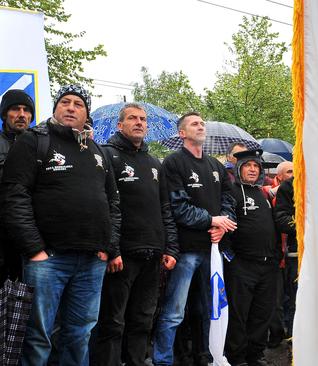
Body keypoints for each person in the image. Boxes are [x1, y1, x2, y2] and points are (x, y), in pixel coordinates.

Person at [1, 84, 121, 365]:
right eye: (65, 102)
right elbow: (14, 196)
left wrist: (108, 247)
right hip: (48, 260)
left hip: (92, 260)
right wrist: (34, 250)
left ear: (86, 113)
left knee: (80, 334)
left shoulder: (97, 150)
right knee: (38, 336)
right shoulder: (33, 141)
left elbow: (113, 203)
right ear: (55, 108)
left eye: (78, 104)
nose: (71, 107)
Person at [91, 103, 180, 366]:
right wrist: (112, 249)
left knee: (143, 319)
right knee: (112, 321)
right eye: (132, 118)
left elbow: (165, 208)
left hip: (153, 254)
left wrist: (170, 248)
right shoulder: (107, 155)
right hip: (122, 256)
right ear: (120, 125)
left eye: (142, 119)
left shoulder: (154, 162)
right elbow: (104, 205)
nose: (139, 122)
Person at [152, 112, 237, 366]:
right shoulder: (173, 163)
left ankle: (207, 356)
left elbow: (229, 201)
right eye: (194, 124)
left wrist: (223, 224)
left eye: (202, 123)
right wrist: (213, 220)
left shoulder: (215, 165)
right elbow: (178, 207)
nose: (201, 126)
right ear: (182, 133)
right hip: (186, 251)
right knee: (174, 312)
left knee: (210, 310)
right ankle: (163, 361)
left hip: (213, 250)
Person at [223, 149, 281, 366]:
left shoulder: (264, 194)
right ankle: (236, 358)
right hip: (242, 266)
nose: (253, 169)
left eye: (256, 166)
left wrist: (276, 257)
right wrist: (233, 259)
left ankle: (255, 355)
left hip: (268, 266)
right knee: (239, 314)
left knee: (262, 313)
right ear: (239, 169)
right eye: (248, 165)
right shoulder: (232, 192)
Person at [0, 89, 34, 282]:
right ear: (5, 114)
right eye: (15, 109)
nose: (22, 114)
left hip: (30, 238)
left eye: (26, 110)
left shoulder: (40, 145)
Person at [266, 161, 293, 347]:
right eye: (289, 171)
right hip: (280, 253)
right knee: (279, 299)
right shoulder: (271, 192)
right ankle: (277, 334)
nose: (293, 174)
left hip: (288, 252)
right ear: (280, 175)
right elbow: (280, 220)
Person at [274, 175, 298, 344]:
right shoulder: (289, 186)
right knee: (295, 300)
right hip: (298, 254)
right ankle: (294, 342)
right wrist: (307, 225)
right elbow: (281, 219)